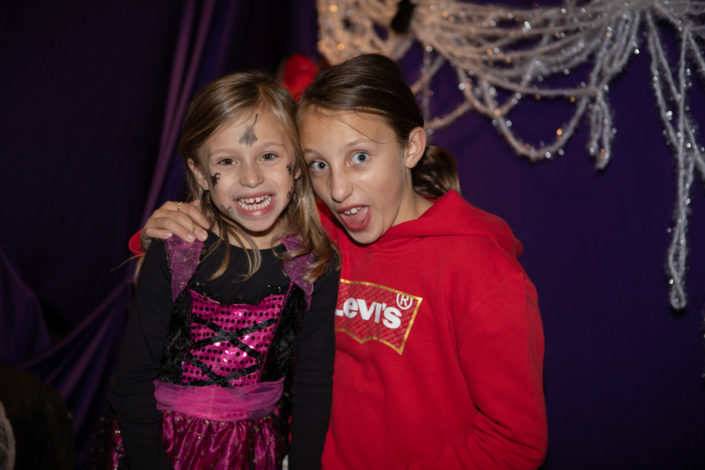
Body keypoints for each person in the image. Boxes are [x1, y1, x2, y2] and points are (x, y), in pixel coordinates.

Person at [136, 54, 547, 469]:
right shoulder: (318, 237)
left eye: (359, 157)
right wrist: (159, 232)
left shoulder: (483, 272)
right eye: (319, 164)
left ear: (411, 148)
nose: (337, 189)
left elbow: (514, 441)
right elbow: (225, 242)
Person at [110, 71, 339, 469]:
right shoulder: (178, 250)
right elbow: (130, 383)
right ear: (201, 174)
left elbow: (313, 387)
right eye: (227, 161)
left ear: (297, 164)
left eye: (268, 156)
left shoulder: (314, 261)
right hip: (162, 446)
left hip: (257, 453)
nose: (251, 178)